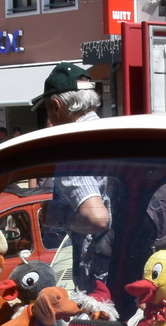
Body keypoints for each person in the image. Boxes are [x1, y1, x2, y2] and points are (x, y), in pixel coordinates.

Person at [37, 63, 111, 292]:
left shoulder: (74, 148)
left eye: (47, 109)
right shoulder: (111, 131)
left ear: (56, 106)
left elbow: (97, 219)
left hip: (101, 271)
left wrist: (57, 217)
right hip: (134, 256)